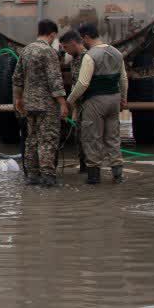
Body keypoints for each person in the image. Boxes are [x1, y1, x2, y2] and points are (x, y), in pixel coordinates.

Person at [68, 22, 128, 186]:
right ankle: (118, 175)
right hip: (114, 100)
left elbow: (82, 84)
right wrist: (124, 98)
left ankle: (94, 177)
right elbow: (123, 79)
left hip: (95, 101)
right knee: (113, 138)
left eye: (82, 39)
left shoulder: (90, 56)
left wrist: (69, 101)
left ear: (86, 37)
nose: (82, 42)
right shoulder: (116, 52)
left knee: (92, 138)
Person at [14, 19, 68, 187]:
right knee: (48, 139)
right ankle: (48, 177)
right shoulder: (48, 52)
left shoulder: (26, 50)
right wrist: (63, 103)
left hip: (29, 104)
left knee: (32, 139)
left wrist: (18, 99)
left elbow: (17, 78)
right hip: (46, 105)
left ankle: (32, 176)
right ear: (52, 34)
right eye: (54, 37)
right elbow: (55, 80)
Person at [58, 30, 87, 174]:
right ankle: (84, 168)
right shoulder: (75, 59)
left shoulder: (87, 58)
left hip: (89, 104)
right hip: (80, 105)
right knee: (79, 137)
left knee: (88, 138)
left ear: (74, 44)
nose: (65, 52)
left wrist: (68, 103)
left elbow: (82, 84)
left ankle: (91, 171)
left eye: (65, 47)